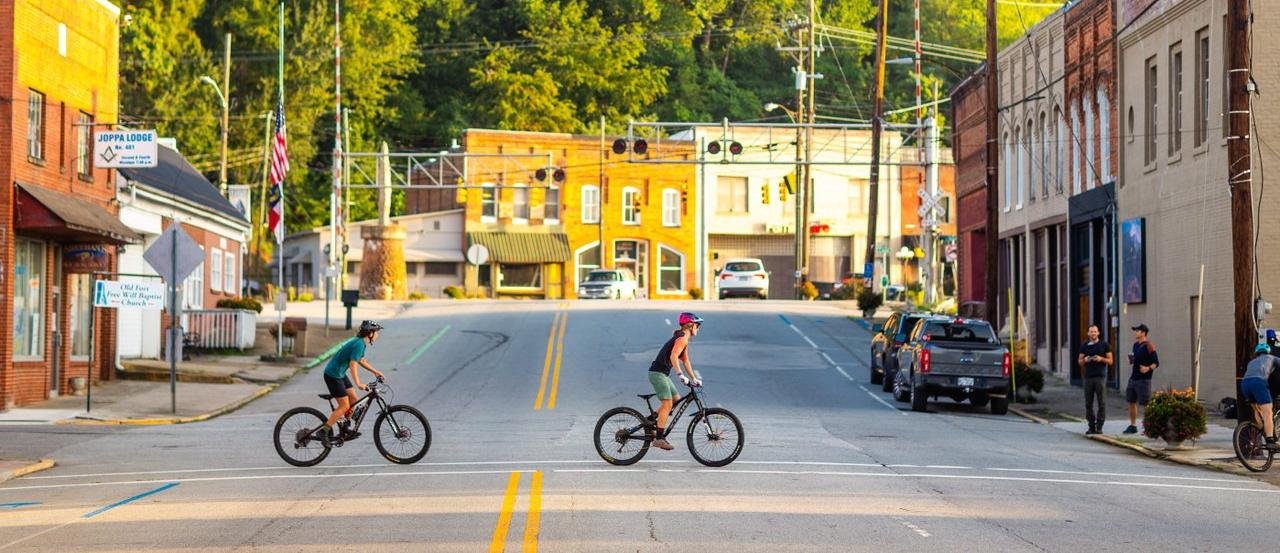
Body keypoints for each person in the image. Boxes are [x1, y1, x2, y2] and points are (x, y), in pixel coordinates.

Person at [319, 320, 386, 444]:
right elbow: (353, 364)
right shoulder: (359, 344)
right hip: (333, 375)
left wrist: (375, 371)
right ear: (370, 333)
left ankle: (344, 428)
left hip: (339, 373)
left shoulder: (361, 343)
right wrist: (358, 383)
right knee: (344, 406)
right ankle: (324, 431)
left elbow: (361, 360)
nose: (378, 334)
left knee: (354, 398)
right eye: (376, 332)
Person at [647, 312, 703, 451]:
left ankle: (650, 421)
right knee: (667, 404)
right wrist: (680, 375)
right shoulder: (682, 338)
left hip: (662, 374)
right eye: (698, 325)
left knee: (676, 399)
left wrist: (694, 378)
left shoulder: (683, 338)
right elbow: (674, 356)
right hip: (657, 374)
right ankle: (659, 438)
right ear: (691, 325)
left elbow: (685, 360)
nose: (699, 328)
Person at [1123, 324, 1159, 434]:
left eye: (1137, 331)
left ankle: (1151, 427)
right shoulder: (1135, 345)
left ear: (1143, 333)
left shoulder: (1149, 345)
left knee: (1146, 404)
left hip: (1144, 380)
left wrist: (1147, 368)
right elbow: (1136, 360)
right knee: (1131, 401)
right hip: (1133, 378)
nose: (1135, 333)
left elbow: (1156, 363)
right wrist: (1131, 360)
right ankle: (1133, 426)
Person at [1242, 343, 1280, 449]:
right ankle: (1270, 440)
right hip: (1258, 382)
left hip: (1245, 384)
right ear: (1268, 352)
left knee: (1257, 409)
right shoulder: (1272, 358)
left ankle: (1262, 429)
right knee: (1268, 412)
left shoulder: (1251, 362)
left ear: (1257, 353)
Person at [1077, 324, 1112, 435]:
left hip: (1100, 377)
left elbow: (1110, 361)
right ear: (1088, 333)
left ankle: (1099, 427)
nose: (1093, 333)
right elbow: (1079, 362)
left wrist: (1101, 359)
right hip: (1088, 378)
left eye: (1095, 331)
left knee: (1101, 402)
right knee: (1088, 403)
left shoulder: (1104, 345)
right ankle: (1091, 426)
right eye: (1091, 331)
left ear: (1098, 333)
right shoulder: (1084, 345)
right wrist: (1085, 360)